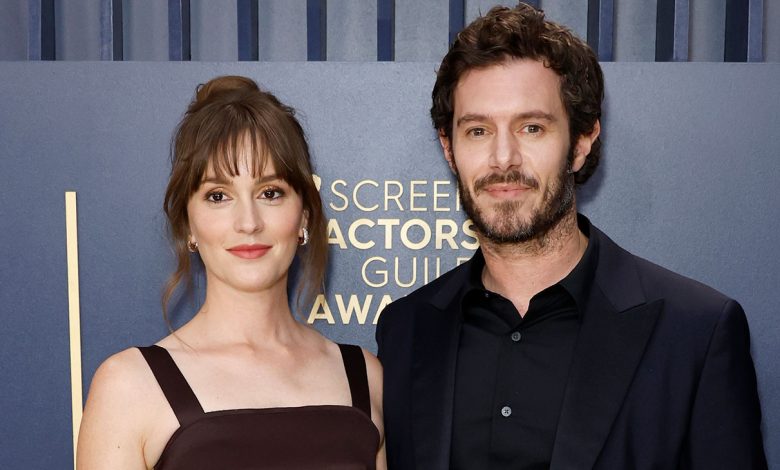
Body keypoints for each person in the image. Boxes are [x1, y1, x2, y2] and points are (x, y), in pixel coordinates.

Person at [375, 3, 766, 469]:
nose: (503, 158)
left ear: (581, 142)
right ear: (449, 148)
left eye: (532, 127)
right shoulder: (406, 329)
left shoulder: (695, 332)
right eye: (478, 130)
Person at [78, 76, 386, 469]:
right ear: (188, 223)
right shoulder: (128, 385)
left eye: (270, 192)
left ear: (304, 213)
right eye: (218, 196)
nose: (248, 222)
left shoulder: (364, 378)